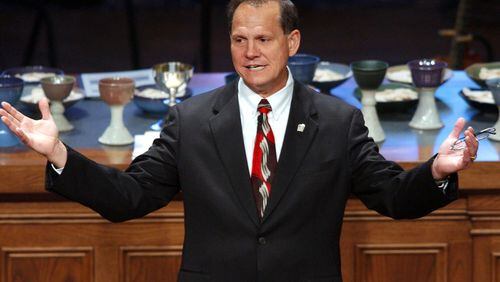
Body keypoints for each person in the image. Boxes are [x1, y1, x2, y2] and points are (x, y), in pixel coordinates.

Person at [0, 0, 479, 281]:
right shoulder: (190, 120)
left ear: (291, 43)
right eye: (238, 40)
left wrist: (437, 171)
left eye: (263, 40)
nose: (250, 53)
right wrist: (59, 153)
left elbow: (394, 197)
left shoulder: (338, 121)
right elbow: (130, 198)